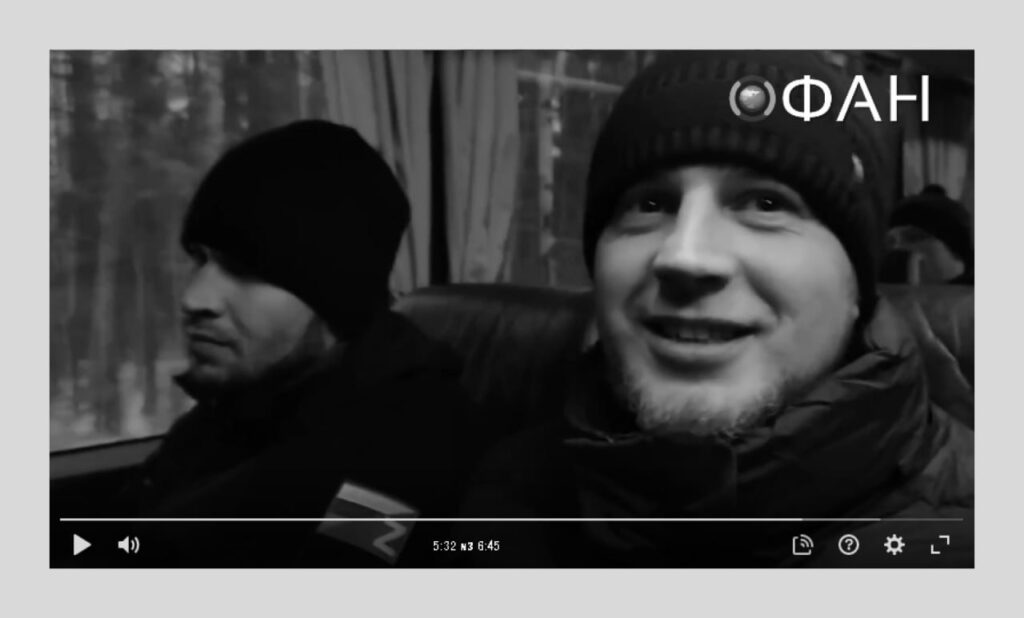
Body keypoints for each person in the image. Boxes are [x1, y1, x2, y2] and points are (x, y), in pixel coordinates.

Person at [458, 51, 973, 567]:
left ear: (857, 286)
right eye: (650, 204)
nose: (684, 257)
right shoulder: (508, 494)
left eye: (766, 204)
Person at [118, 120, 471, 567]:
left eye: (246, 270)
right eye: (200, 260)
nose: (194, 299)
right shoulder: (246, 401)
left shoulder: (407, 446)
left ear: (336, 302)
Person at [881, 184, 973, 284]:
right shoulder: (953, 207)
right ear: (943, 195)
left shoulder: (907, 202)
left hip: (897, 235)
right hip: (940, 235)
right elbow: (964, 233)